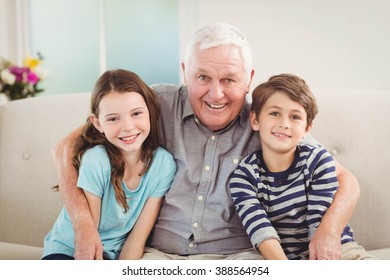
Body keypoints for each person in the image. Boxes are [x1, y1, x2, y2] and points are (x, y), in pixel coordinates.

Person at [52, 22, 361, 260]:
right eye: (203, 78)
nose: (216, 94)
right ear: (185, 71)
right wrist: (84, 226)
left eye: (229, 79)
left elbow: (346, 181)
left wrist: (329, 231)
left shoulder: (267, 120)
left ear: (249, 77)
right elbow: (66, 147)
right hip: (160, 256)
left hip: (238, 258)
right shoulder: (151, 105)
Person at [229, 73, 373, 260]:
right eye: (274, 113)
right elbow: (261, 231)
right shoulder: (243, 176)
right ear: (255, 120)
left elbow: (318, 228)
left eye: (295, 117)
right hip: (279, 255)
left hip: (331, 248)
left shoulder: (319, 161)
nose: (284, 124)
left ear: (307, 128)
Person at [43, 69, 176, 260]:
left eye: (136, 113)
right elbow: (89, 238)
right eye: (113, 118)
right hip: (70, 250)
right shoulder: (96, 160)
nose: (128, 126)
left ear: (150, 111)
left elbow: (137, 239)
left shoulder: (163, 164)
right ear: (97, 124)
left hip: (112, 255)